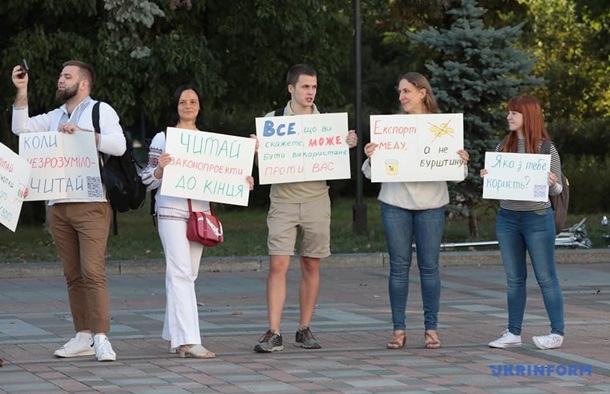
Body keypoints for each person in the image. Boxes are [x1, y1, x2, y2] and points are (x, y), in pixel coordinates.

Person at [11, 60, 125, 362]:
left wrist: (85, 134)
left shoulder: (101, 111)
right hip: (58, 204)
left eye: (67, 76)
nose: (60, 80)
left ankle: (101, 337)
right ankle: (83, 334)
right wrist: (22, 91)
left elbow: (120, 145)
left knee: (92, 272)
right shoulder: (54, 116)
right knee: (73, 274)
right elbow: (20, 128)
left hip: (92, 203)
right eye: (60, 75)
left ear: (83, 83)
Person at [141, 84, 254, 359]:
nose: (188, 106)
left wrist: (243, 181)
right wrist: (160, 168)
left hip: (199, 214)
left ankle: (175, 336)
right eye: (183, 102)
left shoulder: (209, 142)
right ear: (176, 106)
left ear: (200, 106)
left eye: (193, 101)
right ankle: (190, 341)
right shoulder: (163, 138)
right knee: (180, 273)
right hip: (170, 211)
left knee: (187, 274)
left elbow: (224, 177)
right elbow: (146, 179)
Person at [251, 64, 358, 353]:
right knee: (278, 264)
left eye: (314, 87)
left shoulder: (326, 123)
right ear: (291, 88)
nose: (310, 92)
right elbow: (266, 168)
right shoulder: (273, 121)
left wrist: (346, 144)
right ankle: (274, 331)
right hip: (283, 200)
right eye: (305, 87)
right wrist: (258, 150)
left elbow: (334, 160)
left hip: (315, 199)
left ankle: (304, 328)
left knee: (311, 262)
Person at [362, 72, 469, 350]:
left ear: (423, 93)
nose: (402, 97)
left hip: (432, 205)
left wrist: (461, 161)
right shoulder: (391, 127)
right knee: (398, 268)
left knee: (429, 268)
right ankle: (399, 329)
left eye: (407, 91)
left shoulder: (442, 126)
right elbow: (371, 173)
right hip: (395, 203)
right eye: (400, 92)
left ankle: (431, 329)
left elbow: (457, 175)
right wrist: (371, 157)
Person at [482, 96, 565, 350]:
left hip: (537, 219)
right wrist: (488, 176)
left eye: (514, 113)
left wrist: (552, 183)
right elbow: (497, 184)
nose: (509, 117)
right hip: (508, 218)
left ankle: (556, 333)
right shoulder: (502, 147)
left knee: (546, 277)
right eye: (508, 112)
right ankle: (513, 332)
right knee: (514, 278)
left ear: (528, 116)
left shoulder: (545, 149)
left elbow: (559, 188)